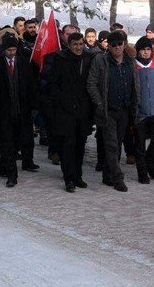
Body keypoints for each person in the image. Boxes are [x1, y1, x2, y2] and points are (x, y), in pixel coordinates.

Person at [87, 30, 139, 192]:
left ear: (124, 45)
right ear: (108, 46)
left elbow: (136, 85)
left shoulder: (130, 62)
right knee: (111, 145)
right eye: (113, 44)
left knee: (117, 144)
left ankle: (108, 175)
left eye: (119, 44)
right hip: (107, 110)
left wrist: (135, 104)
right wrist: (100, 103)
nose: (117, 47)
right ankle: (118, 178)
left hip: (124, 109)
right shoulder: (101, 61)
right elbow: (91, 84)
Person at [0, 34, 39, 187]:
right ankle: (12, 175)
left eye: (14, 49)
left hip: (22, 111)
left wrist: (33, 107)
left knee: (17, 141)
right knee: (7, 142)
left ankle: (3, 167)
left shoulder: (24, 64)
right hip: (3, 111)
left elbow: (31, 87)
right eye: (9, 50)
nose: (11, 53)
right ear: (4, 49)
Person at [47, 32, 94, 192]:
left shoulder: (88, 58)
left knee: (80, 145)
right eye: (75, 44)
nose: (78, 47)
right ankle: (69, 178)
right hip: (65, 111)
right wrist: (63, 102)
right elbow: (53, 85)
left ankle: (78, 176)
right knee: (68, 146)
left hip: (83, 110)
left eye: (81, 44)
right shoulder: (60, 59)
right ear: (69, 45)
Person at [133, 37, 154, 184]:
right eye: (143, 50)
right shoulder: (134, 67)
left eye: (148, 49)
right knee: (139, 143)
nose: (146, 53)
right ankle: (142, 172)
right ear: (138, 51)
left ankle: (150, 164)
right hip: (140, 113)